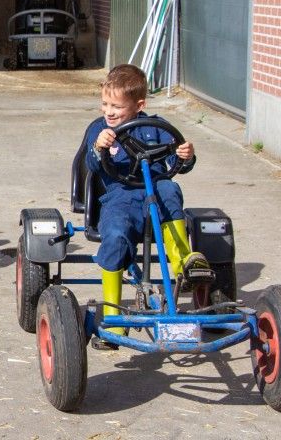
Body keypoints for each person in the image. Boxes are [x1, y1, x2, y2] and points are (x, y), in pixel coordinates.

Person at [84, 63, 207, 348]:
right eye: (105, 104)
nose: (109, 111)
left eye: (116, 106)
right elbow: (91, 164)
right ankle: (114, 318)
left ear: (139, 105)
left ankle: (183, 264)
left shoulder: (157, 128)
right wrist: (99, 147)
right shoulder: (100, 130)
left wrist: (185, 156)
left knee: (169, 188)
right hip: (118, 196)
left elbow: (178, 163)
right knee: (115, 234)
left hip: (154, 191)